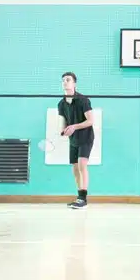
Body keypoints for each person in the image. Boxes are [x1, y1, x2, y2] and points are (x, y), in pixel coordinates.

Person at [58, 72, 94, 210]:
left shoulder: (83, 100)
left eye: (68, 80)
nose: (65, 82)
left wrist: (74, 127)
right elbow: (63, 124)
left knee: (81, 165)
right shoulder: (61, 104)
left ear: (74, 83)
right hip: (73, 139)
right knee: (74, 169)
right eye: (63, 80)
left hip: (86, 137)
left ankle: (83, 199)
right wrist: (63, 131)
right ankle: (79, 197)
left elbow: (90, 121)